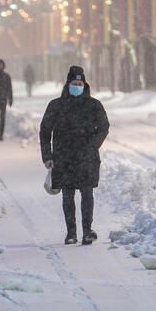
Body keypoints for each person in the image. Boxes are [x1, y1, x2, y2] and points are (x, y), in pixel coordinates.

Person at [39, 66, 109, 245]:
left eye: (79, 83)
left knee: (87, 193)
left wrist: (92, 144)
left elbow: (103, 127)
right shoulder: (56, 105)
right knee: (67, 195)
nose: (76, 86)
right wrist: (47, 155)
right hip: (63, 157)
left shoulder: (94, 105)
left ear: (84, 84)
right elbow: (45, 131)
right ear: (68, 84)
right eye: (73, 83)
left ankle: (87, 231)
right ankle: (71, 233)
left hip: (87, 157)